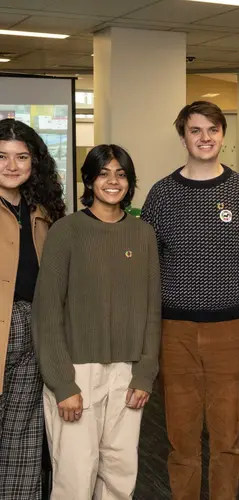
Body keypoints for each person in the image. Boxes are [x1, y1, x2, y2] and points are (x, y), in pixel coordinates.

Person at [140, 101, 239, 500]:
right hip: (174, 332)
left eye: (213, 129)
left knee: (228, 436)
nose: (205, 138)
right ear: (183, 138)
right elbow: (147, 264)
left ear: (223, 136)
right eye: (196, 130)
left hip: (231, 330)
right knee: (181, 437)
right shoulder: (161, 194)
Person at [32, 144, 160, 499]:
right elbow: (47, 312)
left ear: (130, 182)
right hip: (76, 371)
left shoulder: (142, 233)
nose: (113, 181)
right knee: (75, 474)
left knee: (120, 474)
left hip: (127, 371)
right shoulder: (65, 231)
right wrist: (62, 382)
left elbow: (152, 310)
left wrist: (144, 375)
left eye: (121, 174)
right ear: (89, 180)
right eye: (104, 173)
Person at [0, 118, 65, 499]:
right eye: (2, 157)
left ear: (34, 163)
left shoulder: (44, 211)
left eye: (21, 157)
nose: (11, 165)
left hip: (33, 329)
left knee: (23, 438)